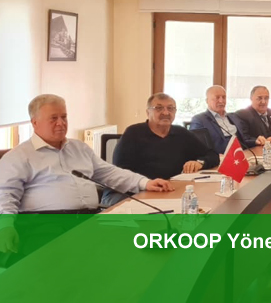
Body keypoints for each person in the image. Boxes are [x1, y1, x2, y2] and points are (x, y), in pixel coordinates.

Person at [0, 95, 173, 254]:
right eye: (53, 118)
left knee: (135, 245)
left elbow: (109, 172)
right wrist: (6, 226)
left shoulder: (79, 148)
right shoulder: (19, 156)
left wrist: (144, 183)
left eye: (64, 117)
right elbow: (6, 194)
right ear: (35, 122)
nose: (61, 123)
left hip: (89, 219)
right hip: (45, 225)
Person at [111, 93, 219, 182]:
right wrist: (145, 184)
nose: (166, 112)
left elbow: (212, 155)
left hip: (173, 189)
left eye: (170, 108)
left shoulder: (181, 133)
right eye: (159, 108)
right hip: (138, 191)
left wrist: (199, 163)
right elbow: (120, 170)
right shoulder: (133, 133)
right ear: (148, 112)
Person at [190, 85, 243, 154]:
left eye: (223, 97)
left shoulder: (233, 116)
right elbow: (197, 146)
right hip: (219, 157)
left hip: (241, 154)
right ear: (207, 101)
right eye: (217, 97)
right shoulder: (199, 120)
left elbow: (244, 139)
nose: (221, 101)